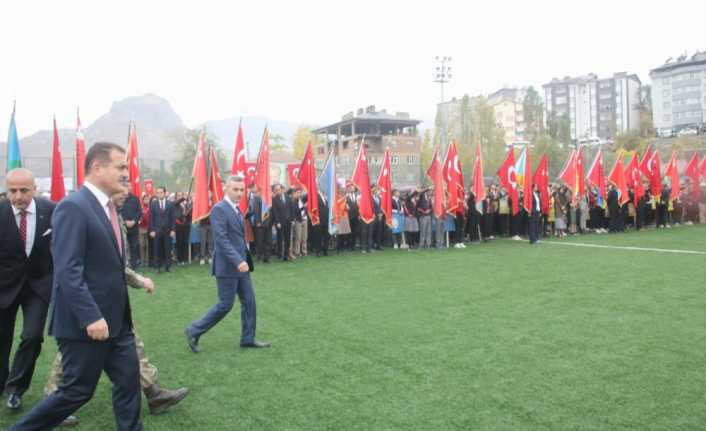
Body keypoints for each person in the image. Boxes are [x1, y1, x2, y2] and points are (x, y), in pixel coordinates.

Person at [10, 142, 143, 430]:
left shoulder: (106, 207)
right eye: (120, 166)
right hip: (86, 325)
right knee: (76, 392)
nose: (125, 173)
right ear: (97, 168)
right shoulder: (74, 207)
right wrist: (91, 316)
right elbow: (68, 270)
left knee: (129, 382)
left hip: (117, 324)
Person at [43, 186, 188, 426]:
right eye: (120, 187)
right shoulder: (81, 211)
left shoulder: (112, 215)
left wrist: (138, 280)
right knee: (73, 355)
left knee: (131, 345)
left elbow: (115, 264)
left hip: (111, 298)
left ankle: (153, 393)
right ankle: (52, 401)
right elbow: (70, 265)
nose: (125, 193)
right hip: (87, 299)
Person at [185, 175, 271, 352]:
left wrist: (243, 260)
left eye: (242, 190)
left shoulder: (236, 209)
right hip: (228, 266)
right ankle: (193, 330)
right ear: (226, 189)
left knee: (250, 301)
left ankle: (248, 338)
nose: (239, 193)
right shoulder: (219, 209)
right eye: (236, 189)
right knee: (225, 304)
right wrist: (238, 260)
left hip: (241, 266)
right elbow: (221, 240)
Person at [0, 168, 55, 411]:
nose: (18, 196)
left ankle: (15, 389)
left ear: (34, 188)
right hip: (3, 286)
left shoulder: (51, 210)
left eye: (24, 190)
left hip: (38, 286)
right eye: (13, 190)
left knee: (32, 337)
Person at [149, 186, 176, 273]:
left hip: (168, 230)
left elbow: (173, 218)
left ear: (164, 193)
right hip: (157, 230)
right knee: (157, 249)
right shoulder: (153, 204)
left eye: (161, 192)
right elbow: (151, 218)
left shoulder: (170, 204)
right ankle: (157, 267)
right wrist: (152, 230)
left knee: (168, 248)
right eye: (158, 192)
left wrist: (173, 230)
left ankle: (168, 266)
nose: (159, 194)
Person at [120, 190, 142, 269]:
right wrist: (125, 221)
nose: (128, 188)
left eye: (129, 186)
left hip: (134, 227)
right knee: (124, 247)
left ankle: (134, 266)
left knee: (134, 246)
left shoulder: (135, 199)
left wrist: (134, 221)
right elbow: (119, 210)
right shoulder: (120, 197)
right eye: (126, 186)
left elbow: (139, 212)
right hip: (123, 226)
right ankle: (124, 266)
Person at [271, 184, 292, 261]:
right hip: (280, 223)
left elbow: (291, 208)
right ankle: (280, 254)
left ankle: (286, 254)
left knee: (288, 239)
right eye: (276, 190)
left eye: (279, 189)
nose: (277, 191)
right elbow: (275, 212)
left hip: (288, 222)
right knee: (280, 239)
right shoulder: (274, 199)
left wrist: (292, 219)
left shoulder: (288, 198)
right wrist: (277, 222)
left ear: (282, 189)